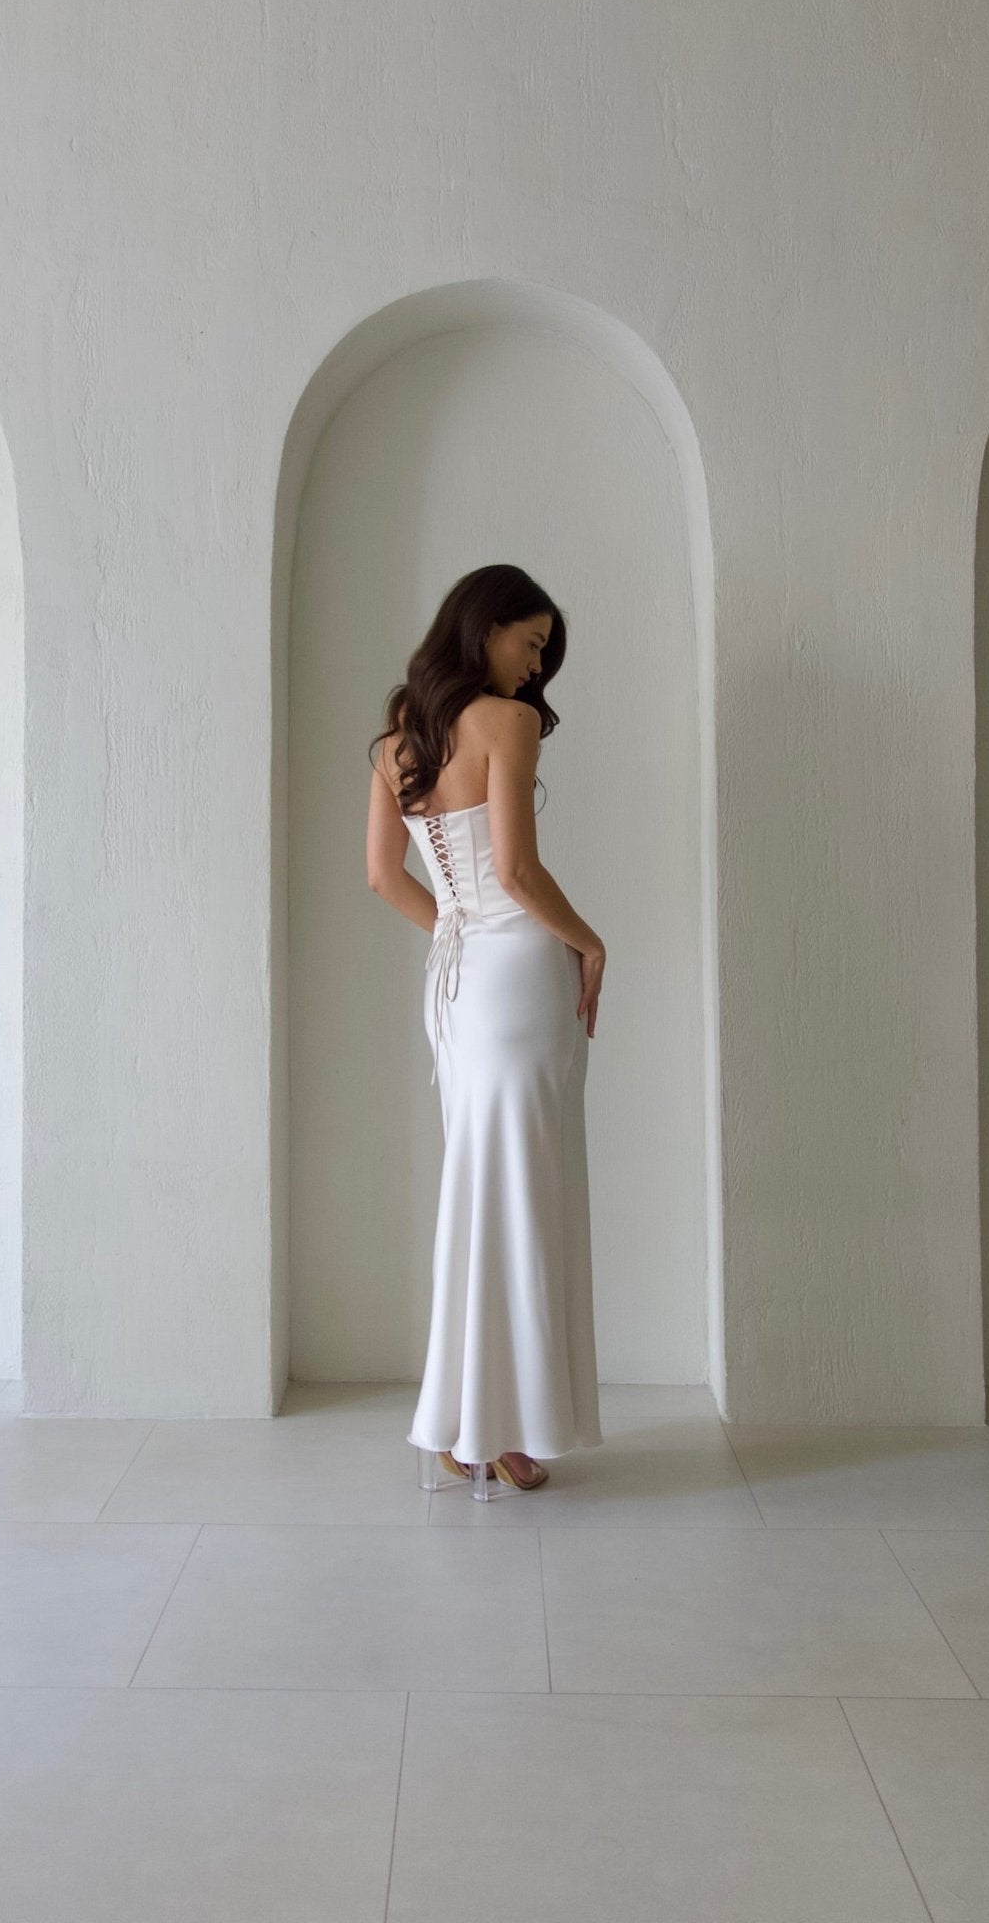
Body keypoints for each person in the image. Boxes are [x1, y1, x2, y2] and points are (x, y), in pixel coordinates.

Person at [366, 565, 606, 1494]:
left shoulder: (395, 746)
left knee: (482, 1188)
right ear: (483, 628)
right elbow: (515, 871)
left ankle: (472, 1423)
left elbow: (385, 879)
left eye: (543, 651)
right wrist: (586, 943)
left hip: (459, 984)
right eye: (530, 642)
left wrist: (457, 935)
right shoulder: (502, 725)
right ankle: (492, 1427)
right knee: (521, 1194)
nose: (535, 666)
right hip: (517, 978)